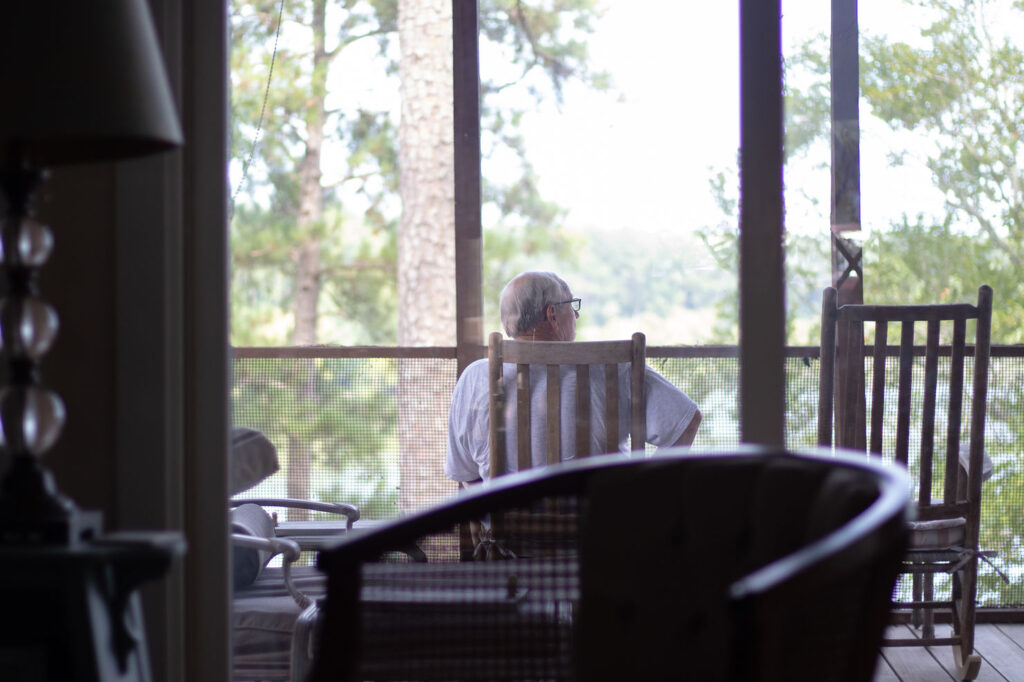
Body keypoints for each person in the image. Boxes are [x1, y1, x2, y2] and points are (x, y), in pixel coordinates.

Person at [446, 271, 702, 485]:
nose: (576, 316)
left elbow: (465, 473)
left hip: (510, 541)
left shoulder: (475, 377)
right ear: (552, 314)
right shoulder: (616, 369)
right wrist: (641, 488)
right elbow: (686, 420)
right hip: (602, 534)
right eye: (572, 306)